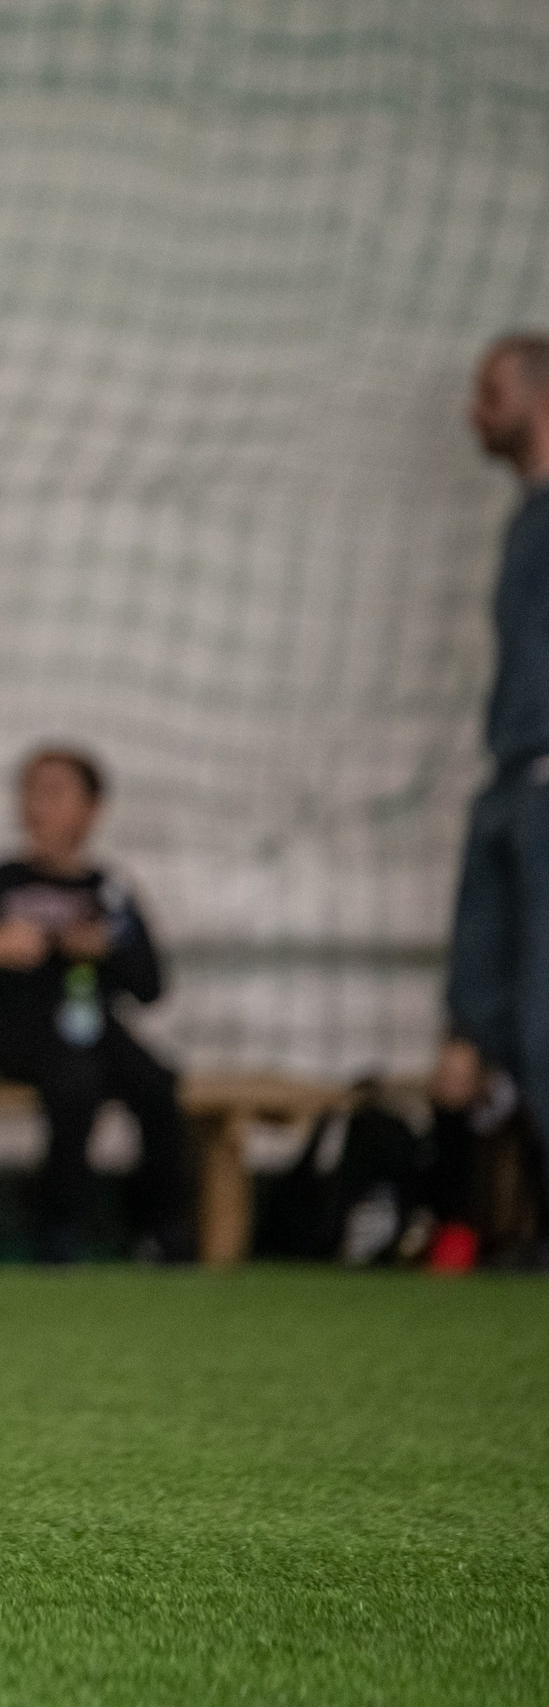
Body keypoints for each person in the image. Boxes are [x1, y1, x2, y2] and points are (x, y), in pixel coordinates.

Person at [0, 747, 190, 1263]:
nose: (36, 805)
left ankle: (160, 1231)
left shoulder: (109, 890)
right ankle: (58, 1230)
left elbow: (152, 985)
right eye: (29, 792)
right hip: (18, 1028)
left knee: (158, 1083)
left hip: (94, 1025)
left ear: (92, 810)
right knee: (75, 1082)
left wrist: (109, 952)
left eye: (53, 793)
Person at [444, 333, 549, 1190]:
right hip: (511, 778)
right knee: (484, 1009)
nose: (475, 415)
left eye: (489, 394)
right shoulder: (527, 517)